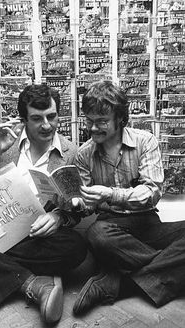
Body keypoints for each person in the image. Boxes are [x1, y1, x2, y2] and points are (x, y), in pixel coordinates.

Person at [72, 80, 185, 315]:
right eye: (89, 121)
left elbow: (152, 193)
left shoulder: (146, 141)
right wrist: (79, 203)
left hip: (147, 222)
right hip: (111, 229)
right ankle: (169, 271)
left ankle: (119, 283)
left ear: (120, 120)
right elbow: (85, 204)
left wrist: (110, 193)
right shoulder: (83, 154)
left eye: (102, 122)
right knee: (96, 234)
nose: (93, 128)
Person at [0, 83, 86, 324]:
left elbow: (79, 208)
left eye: (52, 116)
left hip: (38, 237)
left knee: (77, 247)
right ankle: (33, 282)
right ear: (23, 119)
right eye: (37, 118)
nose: (47, 125)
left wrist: (59, 216)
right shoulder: (3, 142)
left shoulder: (72, 153)